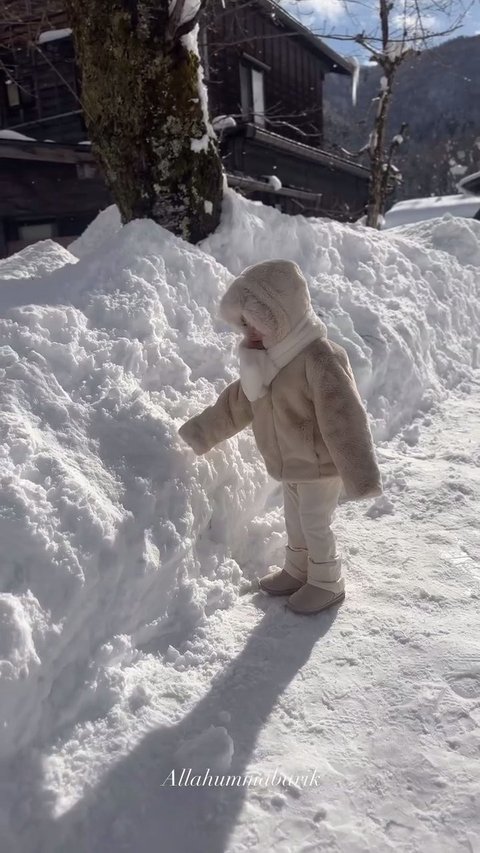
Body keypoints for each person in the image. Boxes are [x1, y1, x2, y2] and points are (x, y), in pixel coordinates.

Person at [179, 260, 382, 615]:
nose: (250, 333)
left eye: (255, 321)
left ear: (282, 314)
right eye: (244, 324)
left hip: (322, 465)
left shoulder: (320, 358)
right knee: (296, 521)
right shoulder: (265, 362)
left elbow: (345, 418)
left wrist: (361, 475)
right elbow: (237, 404)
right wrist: (200, 432)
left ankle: (327, 582)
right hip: (290, 465)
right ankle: (298, 570)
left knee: (315, 523)